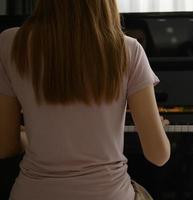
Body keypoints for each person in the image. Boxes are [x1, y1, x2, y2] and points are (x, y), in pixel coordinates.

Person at [0, 0, 170, 199]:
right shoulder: (128, 49)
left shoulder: (10, 43)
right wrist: (158, 127)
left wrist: (31, 137)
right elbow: (158, 156)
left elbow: (5, 147)